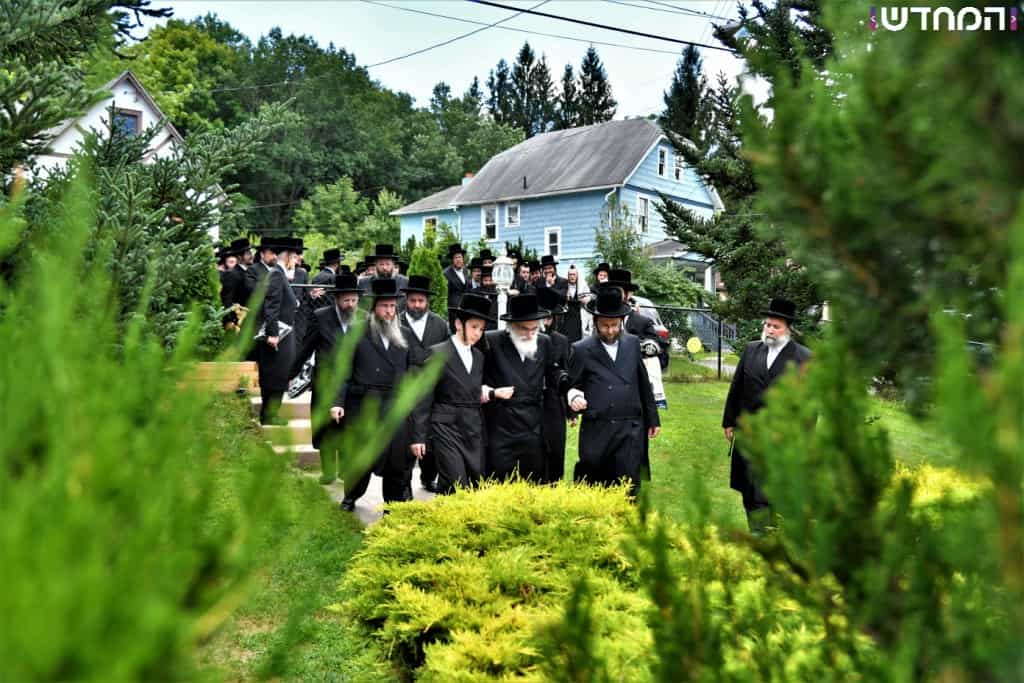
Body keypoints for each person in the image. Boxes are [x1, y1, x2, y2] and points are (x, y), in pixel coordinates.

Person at [330, 278, 424, 511]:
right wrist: (337, 402)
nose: (389, 312)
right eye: (385, 306)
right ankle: (351, 496)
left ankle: (393, 505)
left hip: (393, 407)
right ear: (373, 308)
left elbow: (413, 371)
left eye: (393, 307)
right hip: (363, 405)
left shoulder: (405, 334)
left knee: (396, 460)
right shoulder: (356, 332)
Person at [722, 298, 812, 534]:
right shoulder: (752, 350)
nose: (770, 330)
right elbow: (737, 386)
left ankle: (767, 537)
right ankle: (758, 533)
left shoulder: (804, 358)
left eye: (776, 326)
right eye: (767, 325)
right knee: (749, 489)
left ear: (788, 329)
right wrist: (729, 421)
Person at [567, 287, 660, 498]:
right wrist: (573, 401)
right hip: (598, 430)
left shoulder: (633, 343)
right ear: (596, 322)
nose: (610, 331)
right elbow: (572, 385)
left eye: (614, 325)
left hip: (630, 429)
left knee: (629, 488)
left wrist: (653, 418)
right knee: (596, 489)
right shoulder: (581, 349)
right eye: (605, 326)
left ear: (621, 322)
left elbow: (643, 383)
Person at [410, 293, 508, 494]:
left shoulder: (479, 357)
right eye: (474, 327)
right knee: (455, 482)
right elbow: (423, 397)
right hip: (445, 426)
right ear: (458, 323)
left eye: (481, 329)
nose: (478, 333)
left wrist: (493, 393)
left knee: (473, 485)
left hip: (472, 428)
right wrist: (418, 436)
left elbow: (472, 390)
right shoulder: (438, 353)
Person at [481, 294, 570, 482]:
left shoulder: (544, 342)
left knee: (533, 481)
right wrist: (489, 391)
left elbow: (552, 371)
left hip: (533, 427)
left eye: (534, 329)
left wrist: (566, 385)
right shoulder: (491, 342)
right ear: (511, 326)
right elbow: (475, 376)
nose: (530, 335)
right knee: (499, 482)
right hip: (501, 427)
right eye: (524, 329)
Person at [290, 272, 362, 483]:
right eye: (346, 300)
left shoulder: (364, 318)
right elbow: (305, 348)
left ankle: (346, 470)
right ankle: (328, 471)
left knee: (348, 427)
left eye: (354, 300)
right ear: (337, 299)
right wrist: (290, 374)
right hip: (325, 382)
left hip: (352, 384)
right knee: (325, 429)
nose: (350, 304)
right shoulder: (321, 316)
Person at [400, 275, 450, 493]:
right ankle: (404, 483)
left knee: (432, 435)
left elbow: (449, 354)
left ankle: (429, 476)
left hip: (434, 388)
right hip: (405, 387)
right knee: (405, 436)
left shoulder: (440, 324)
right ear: (407, 300)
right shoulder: (396, 322)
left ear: (427, 301)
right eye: (413, 301)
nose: (417, 305)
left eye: (421, 301)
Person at [253, 237, 298, 425]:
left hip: (282, 332)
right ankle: (270, 414)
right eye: (294, 257)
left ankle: (270, 414)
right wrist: (273, 333)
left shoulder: (278, 273)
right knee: (276, 374)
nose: (295, 261)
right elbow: (271, 306)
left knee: (277, 373)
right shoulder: (277, 274)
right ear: (287, 256)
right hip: (279, 333)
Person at [535, 286, 572, 484]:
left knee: (555, 448)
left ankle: (554, 485)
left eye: (548, 318)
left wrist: (570, 411)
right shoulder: (526, 338)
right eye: (542, 317)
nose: (545, 323)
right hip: (532, 402)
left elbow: (565, 375)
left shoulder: (561, 341)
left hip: (553, 403)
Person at [358, 244, 409, 310]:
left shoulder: (404, 282)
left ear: (393, 264)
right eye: (381, 264)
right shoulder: (363, 283)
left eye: (388, 264)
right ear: (375, 264)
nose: (384, 268)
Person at [562, 265, 592, 343]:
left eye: (574, 274)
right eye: (570, 274)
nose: (572, 276)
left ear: (577, 275)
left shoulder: (583, 285)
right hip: (567, 318)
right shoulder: (564, 285)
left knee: (578, 341)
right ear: (568, 275)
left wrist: (582, 299)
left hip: (579, 317)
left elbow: (589, 299)